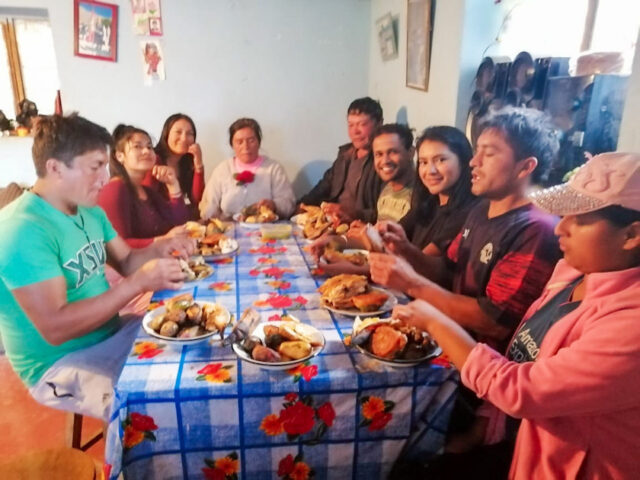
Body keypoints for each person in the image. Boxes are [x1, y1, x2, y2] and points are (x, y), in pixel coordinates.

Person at [394, 152, 640, 479]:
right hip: (514, 444)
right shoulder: (572, 273)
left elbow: (522, 389)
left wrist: (436, 321)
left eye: (579, 219)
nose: (559, 229)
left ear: (632, 235)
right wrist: (482, 431)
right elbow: (522, 354)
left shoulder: (630, 324)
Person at [0, 114, 194, 420]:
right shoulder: (21, 229)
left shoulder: (89, 211)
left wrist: (163, 247)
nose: (105, 178)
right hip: (58, 363)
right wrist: (137, 284)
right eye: (95, 167)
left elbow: (128, 261)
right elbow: (56, 328)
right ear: (55, 168)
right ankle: (133, 465)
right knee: (151, 407)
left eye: (105, 166)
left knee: (192, 348)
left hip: (109, 333)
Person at [370, 108, 562, 349]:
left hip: (478, 364)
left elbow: (493, 321)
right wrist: (406, 249)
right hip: (446, 339)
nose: (473, 162)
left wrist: (412, 283)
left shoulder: (536, 229)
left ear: (525, 167)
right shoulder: (482, 209)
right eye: (477, 151)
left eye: (488, 154)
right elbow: (447, 270)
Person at [381, 125, 477, 259]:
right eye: (423, 162)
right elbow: (387, 238)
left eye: (441, 160)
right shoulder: (427, 203)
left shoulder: (470, 211)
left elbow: (423, 261)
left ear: (463, 161)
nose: (430, 171)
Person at [98, 124, 191, 248]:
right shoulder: (115, 189)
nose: (146, 151)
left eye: (149, 146)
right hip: (134, 267)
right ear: (120, 156)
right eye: (137, 146)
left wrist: (173, 185)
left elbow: (180, 223)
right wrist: (163, 239)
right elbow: (117, 246)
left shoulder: (147, 192)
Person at [299, 97, 383, 223]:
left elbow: (382, 213)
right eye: (351, 125)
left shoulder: (382, 162)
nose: (355, 131)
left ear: (379, 123)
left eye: (362, 124)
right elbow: (324, 185)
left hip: (357, 226)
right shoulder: (345, 154)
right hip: (332, 220)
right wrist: (301, 204)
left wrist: (352, 212)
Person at [199, 117, 296, 220]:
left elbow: (289, 204)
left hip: (265, 230)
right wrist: (214, 219)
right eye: (239, 142)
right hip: (229, 231)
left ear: (259, 142)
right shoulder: (222, 170)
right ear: (232, 145)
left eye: (251, 140)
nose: (246, 146)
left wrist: (274, 205)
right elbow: (208, 206)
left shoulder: (273, 169)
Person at [147, 113, 204, 215]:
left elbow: (197, 200)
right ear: (167, 134)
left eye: (189, 134)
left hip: (176, 218)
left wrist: (198, 166)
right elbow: (147, 204)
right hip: (158, 223)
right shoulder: (154, 160)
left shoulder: (187, 163)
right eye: (178, 132)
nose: (184, 138)